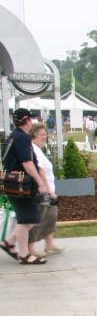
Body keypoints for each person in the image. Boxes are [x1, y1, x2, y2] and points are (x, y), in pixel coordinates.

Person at [1, 108, 50, 265]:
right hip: (21, 184)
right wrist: (40, 183)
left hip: (12, 183)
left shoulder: (13, 137)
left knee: (28, 217)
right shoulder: (22, 138)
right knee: (28, 219)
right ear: (28, 120)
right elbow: (27, 163)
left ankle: (9, 243)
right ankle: (24, 254)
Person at [26, 122, 63, 257]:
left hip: (48, 192)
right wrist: (49, 191)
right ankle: (30, 249)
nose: (44, 137)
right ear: (34, 135)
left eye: (45, 135)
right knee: (38, 219)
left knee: (51, 217)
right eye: (42, 135)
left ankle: (49, 244)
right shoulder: (33, 149)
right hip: (43, 192)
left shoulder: (38, 149)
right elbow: (40, 171)